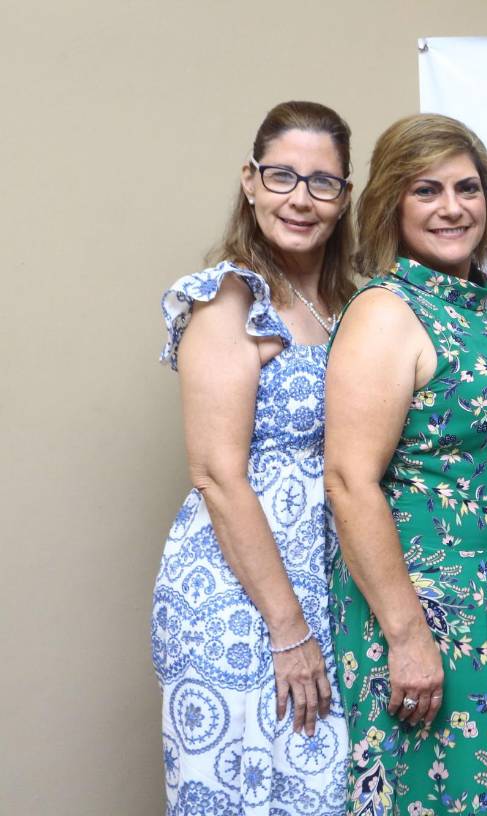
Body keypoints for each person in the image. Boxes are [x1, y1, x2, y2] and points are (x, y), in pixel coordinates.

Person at [323, 114, 487, 815]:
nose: (453, 208)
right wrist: (406, 635)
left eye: (468, 188)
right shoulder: (388, 312)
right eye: (427, 190)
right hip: (427, 617)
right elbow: (348, 479)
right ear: (393, 203)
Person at [152, 100, 355, 814]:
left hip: (329, 579)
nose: (300, 198)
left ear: (345, 197)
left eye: (321, 182)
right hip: (243, 597)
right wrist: (287, 627)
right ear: (250, 181)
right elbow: (215, 474)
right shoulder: (228, 301)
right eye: (281, 176)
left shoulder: (350, 302)